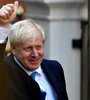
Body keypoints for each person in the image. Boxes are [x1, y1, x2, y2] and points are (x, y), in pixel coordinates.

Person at [0, 1, 68, 100]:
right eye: (28, 48)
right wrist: (3, 26)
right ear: (13, 48)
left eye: (38, 47)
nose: (35, 54)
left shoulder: (55, 68)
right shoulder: (5, 71)